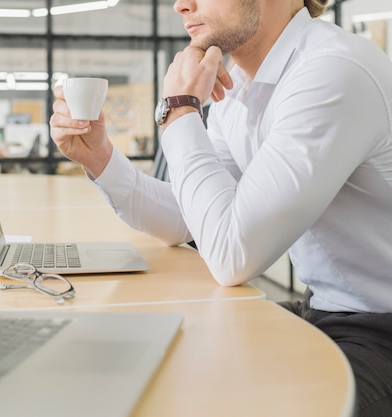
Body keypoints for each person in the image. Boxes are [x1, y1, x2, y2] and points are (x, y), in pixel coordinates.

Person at [50, 0, 392, 414]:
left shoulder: (332, 72)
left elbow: (232, 254)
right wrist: (100, 159)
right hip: (327, 309)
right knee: (160, 356)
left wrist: (179, 110)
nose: (181, 5)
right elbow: (190, 218)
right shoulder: (237, 93)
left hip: (379, 329)